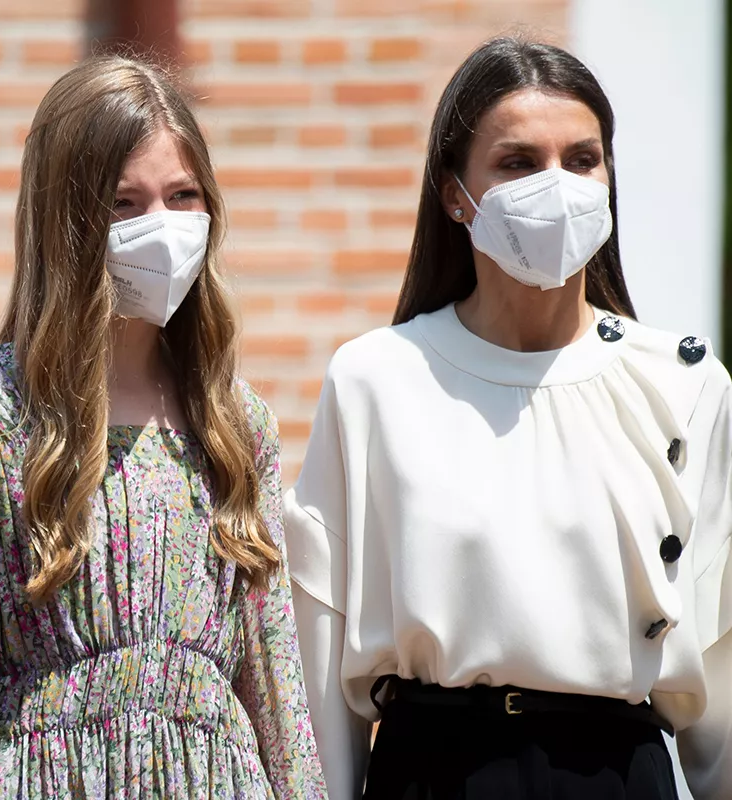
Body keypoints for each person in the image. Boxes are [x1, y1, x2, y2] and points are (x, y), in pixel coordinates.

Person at [0, 54, 327, 798]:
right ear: (68, 220)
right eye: (125, 203)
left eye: (184, 197)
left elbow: (277, 688)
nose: (164, 227)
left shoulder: (234, 424)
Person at [284, 37, 732, 800]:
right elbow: (324, 680)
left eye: (583, 159)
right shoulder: (376, 382)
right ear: (456, 194)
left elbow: (718, 664)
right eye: (519, 162)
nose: (556, 186)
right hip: (435, 770)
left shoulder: (684, 384)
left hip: (619, 773)